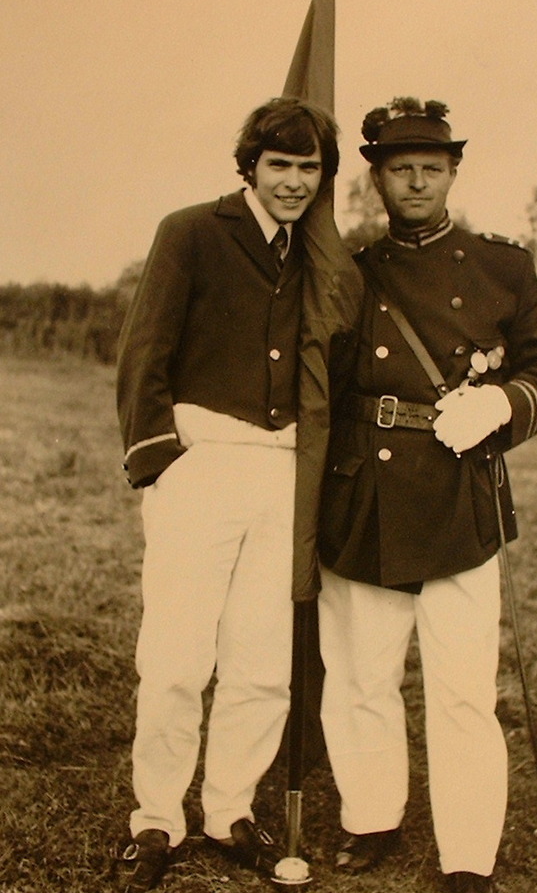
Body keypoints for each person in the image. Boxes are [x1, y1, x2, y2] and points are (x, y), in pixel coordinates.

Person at [316, 97, 537, 893]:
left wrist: (500, 404)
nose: (416, 182)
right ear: (376, 179)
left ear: (454, 171)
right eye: (400, 169)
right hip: (365, 493)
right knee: (360, 676)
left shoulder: (503, 267)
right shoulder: (351, 273)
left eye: (431, 167)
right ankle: (371, 816)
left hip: (459, 496)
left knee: (462, 689)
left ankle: (466, 853)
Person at [114, 96, 340, 892]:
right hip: (201, 463)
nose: (293, 182)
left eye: (309, 167)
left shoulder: (319, 253)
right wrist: (161, 462)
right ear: (250, 165)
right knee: (177, 655)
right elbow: (144, 351)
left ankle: (229, 810)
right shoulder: (191, 232)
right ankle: (156, 819)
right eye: (279, 164)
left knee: (263, 661)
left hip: (283, 472)